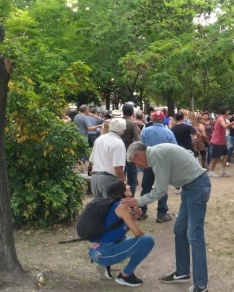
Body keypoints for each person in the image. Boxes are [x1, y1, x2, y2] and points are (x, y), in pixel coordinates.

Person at [123, 142, 211, 292]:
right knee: (180, 230)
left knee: (195, 236)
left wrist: (139, 201)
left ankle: (201, 285)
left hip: (196, 187)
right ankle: (182, 272)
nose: (138, 166)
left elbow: (160, 190)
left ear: (138, 155)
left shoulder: (157, 155)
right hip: (191, 187)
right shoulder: (157, 152)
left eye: (136, 162)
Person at [87, 178, 155, 287]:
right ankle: (125, 276)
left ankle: (105, 265)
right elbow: (138, 235)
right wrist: (140, 245)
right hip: (103, 252)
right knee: (148, 241)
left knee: (126, 239)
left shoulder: (114, 204)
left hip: (96, 250)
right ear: (119, 190)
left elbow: (116, 227)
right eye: (125, 185)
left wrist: (134, 217)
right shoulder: (122, 207)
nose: (128, 186)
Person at [138, 110, 177, 223]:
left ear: (153, 119)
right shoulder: (169, 132)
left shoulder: (146, 131)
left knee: (146, 187)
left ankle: (142, 211)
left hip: (148, 162)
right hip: (163, 164)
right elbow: (174, 148)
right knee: (162, 188)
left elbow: (141, 146)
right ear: (164, 119)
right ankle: (161, 213)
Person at [89, 118, 127, 198]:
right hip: (109, 178)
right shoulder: (118, 143)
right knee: (110, 206)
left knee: (98, 206)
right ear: (122, 130)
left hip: (95, 176)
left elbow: (92, 161)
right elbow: (118, 167)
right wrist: (123, 181)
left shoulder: (99, 139)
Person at [208, 106, 234, 178]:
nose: (229, 111)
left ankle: (223, 171)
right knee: (216, 157)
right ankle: (211, 172)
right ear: (225, 111)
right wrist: (233, 123)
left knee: (226, 154)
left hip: (221, 141)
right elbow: (225, 126)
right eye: (228, 110)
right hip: (217, 141)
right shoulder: (221, 119)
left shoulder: (223, 118)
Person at [121, 103, 142, 196]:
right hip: (130, 153)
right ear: (132, 112)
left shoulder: (118, 122)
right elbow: (137, 140)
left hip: (119, 153)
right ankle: (130, 197)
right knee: (132, 178)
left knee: (120, 177)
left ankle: (120, 196)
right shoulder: (132, 124)